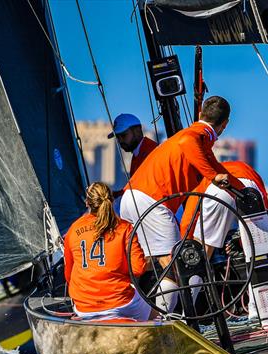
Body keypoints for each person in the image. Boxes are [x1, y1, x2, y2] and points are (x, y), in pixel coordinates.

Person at [119, 95, 234, 313]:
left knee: (149, 265)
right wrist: (212, 176)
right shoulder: (198, 135)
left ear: (200, 114)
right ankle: (176, 322)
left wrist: (241, 192)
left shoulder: (200, 144)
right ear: (224, 124)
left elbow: (221, 171)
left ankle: (146, 318)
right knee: (180, 266)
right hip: (152, 202)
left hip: (132, 200)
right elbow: (187, 144)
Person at [64, 182, 151, 321]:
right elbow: (138, 269)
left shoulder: (73, 229)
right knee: (153, 314)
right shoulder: (124, 227)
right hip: (120, 302)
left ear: (87, 202)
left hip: (83, 306)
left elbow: (68, 273)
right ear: (111, 199)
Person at [179, 160, 266, 259]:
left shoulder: (202, 181)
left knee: (202, 250)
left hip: (220, 188)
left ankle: (197, 273)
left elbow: (188, 222)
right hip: (250, 188)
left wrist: (186, 247)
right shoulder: (246, 167)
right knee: (258, 244)